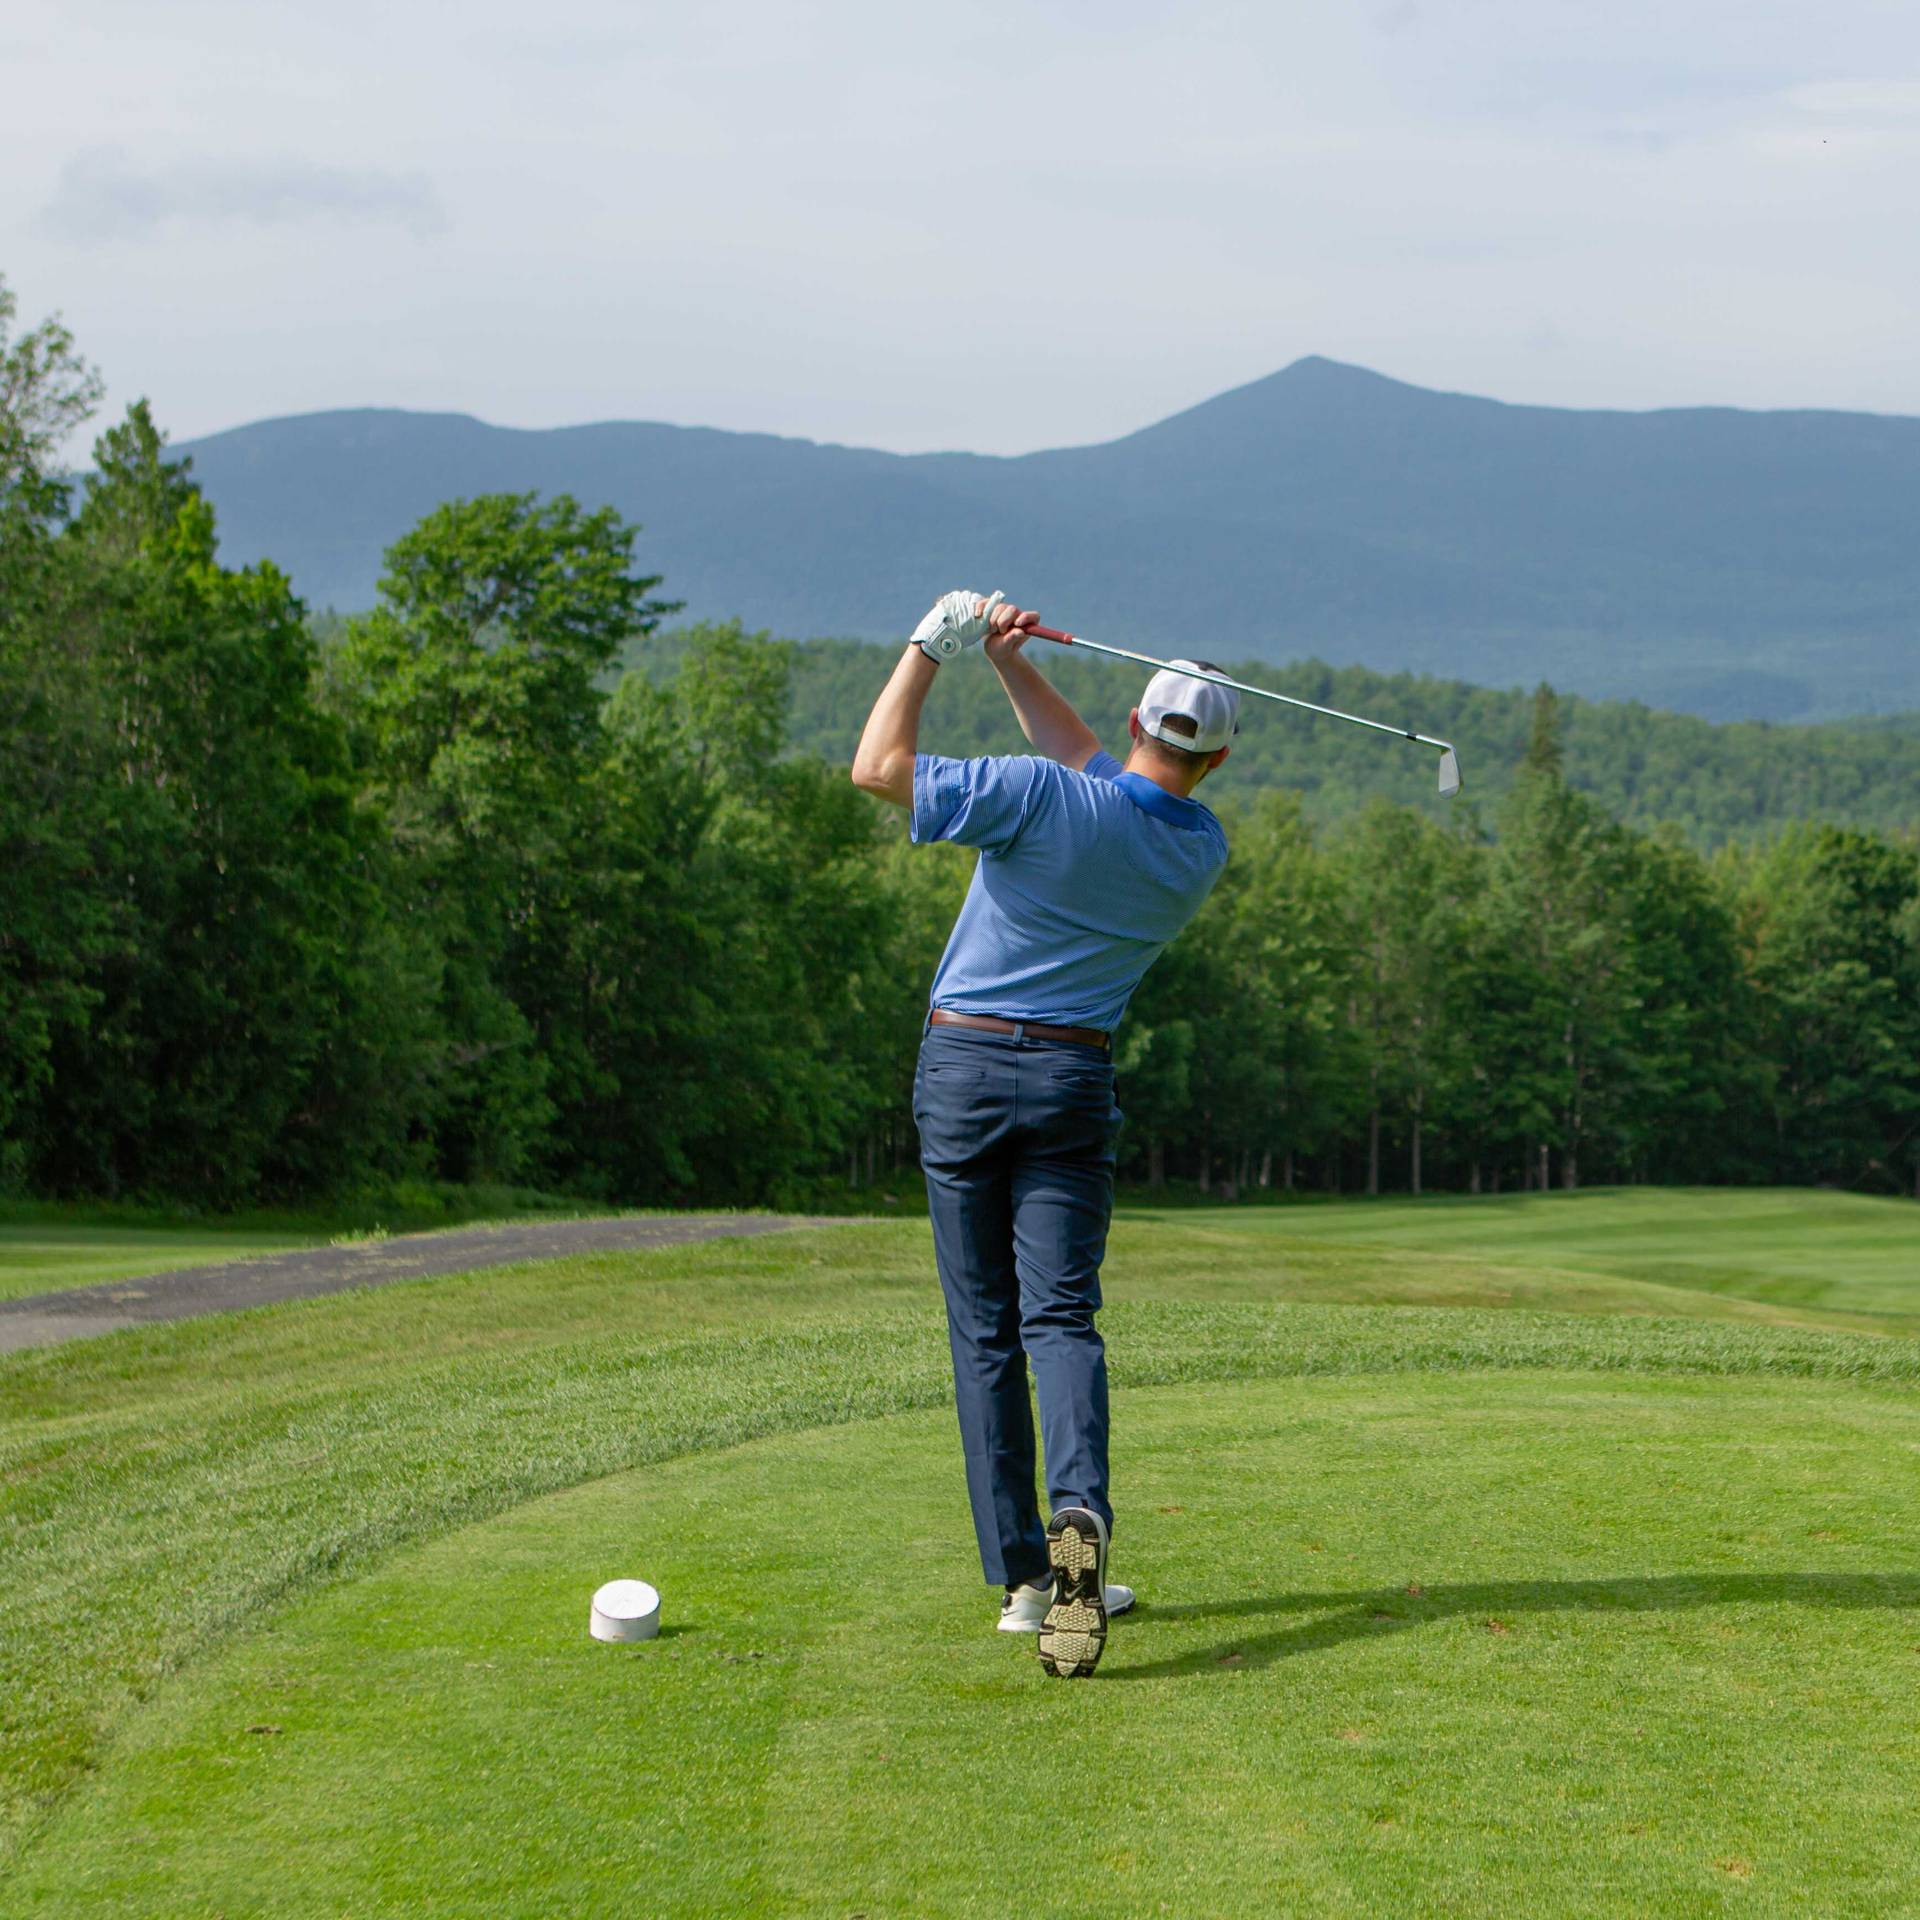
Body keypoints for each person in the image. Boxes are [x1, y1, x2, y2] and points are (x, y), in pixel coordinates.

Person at [851, 589, 1239, 1677]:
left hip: (966, 1069)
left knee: (985, 1331)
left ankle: (1029, 1579)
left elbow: (877, 768)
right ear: (1213, 761)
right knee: (1062, 1321)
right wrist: (1012, 665)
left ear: (1134, 724)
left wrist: (931, 649)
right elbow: (1104, 777)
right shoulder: (1195, 847)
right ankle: (1081, 1518)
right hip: (1073, 1078)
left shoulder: (1033, 797)